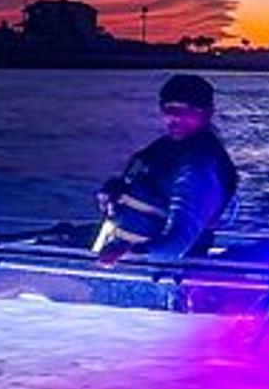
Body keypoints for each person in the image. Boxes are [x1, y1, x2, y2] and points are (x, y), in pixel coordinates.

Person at [93, 74, 239, 264]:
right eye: (169, 109)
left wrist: (129, 257)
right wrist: (113, 191)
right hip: (121, 252)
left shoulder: (199, 165)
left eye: (186, 111)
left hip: (163, 274)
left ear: (207, 113)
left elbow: (178, 243)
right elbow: (140, 184)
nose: (175, 117)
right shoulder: (162, 149)